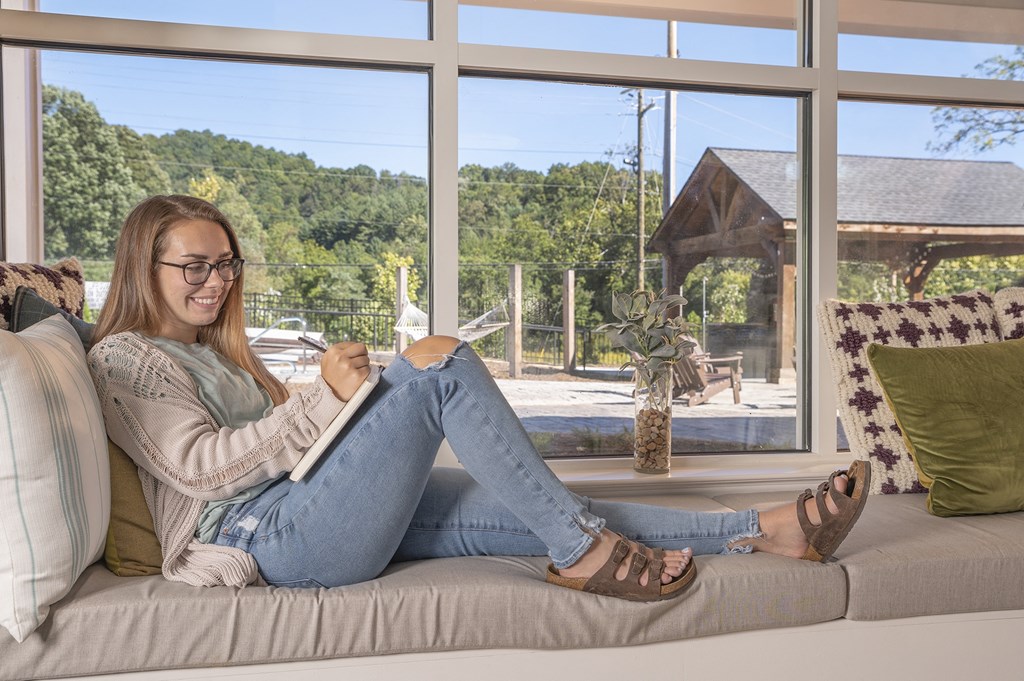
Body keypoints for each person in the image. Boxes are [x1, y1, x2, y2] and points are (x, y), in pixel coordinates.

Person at [88, 194, 870, 602]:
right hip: (269, 539)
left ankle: (763, 530)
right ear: (142, 264)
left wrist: (342, 401)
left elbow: (281, 439)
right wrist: (318, 404)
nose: (217, 280)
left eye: (225, 264)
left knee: (544, 504)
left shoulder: (207, 351)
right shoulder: (125, 358)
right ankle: (582, 553)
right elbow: (199, 471)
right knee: (438, 359)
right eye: (195, 266)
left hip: (307, 506)